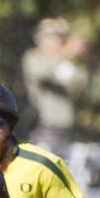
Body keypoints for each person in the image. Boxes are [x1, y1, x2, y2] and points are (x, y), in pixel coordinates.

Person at [21, 17, 88, 152]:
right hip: (43, 126)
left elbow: (82, 82)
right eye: (55, 37)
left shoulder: (63, 61)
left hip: (65, 127)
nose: (60, 42)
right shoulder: (33, 57)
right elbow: (43, 73)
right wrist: (68, 52)